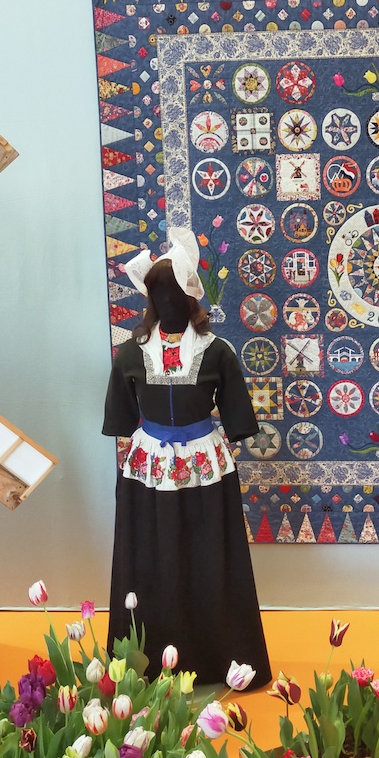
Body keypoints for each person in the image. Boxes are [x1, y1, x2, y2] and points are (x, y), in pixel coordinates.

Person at [103, 228, 271, 687]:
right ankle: (146, 663)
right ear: (150, 297)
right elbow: (120, 414)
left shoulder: (218, 352)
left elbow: (237, 413)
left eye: (174, 291)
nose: (168, 300)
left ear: (191, 294)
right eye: (160, 292)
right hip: (148, 469)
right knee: (148, 558)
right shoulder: (131, 355)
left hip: (204, 468)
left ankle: (219, 658)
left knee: (209, 556)